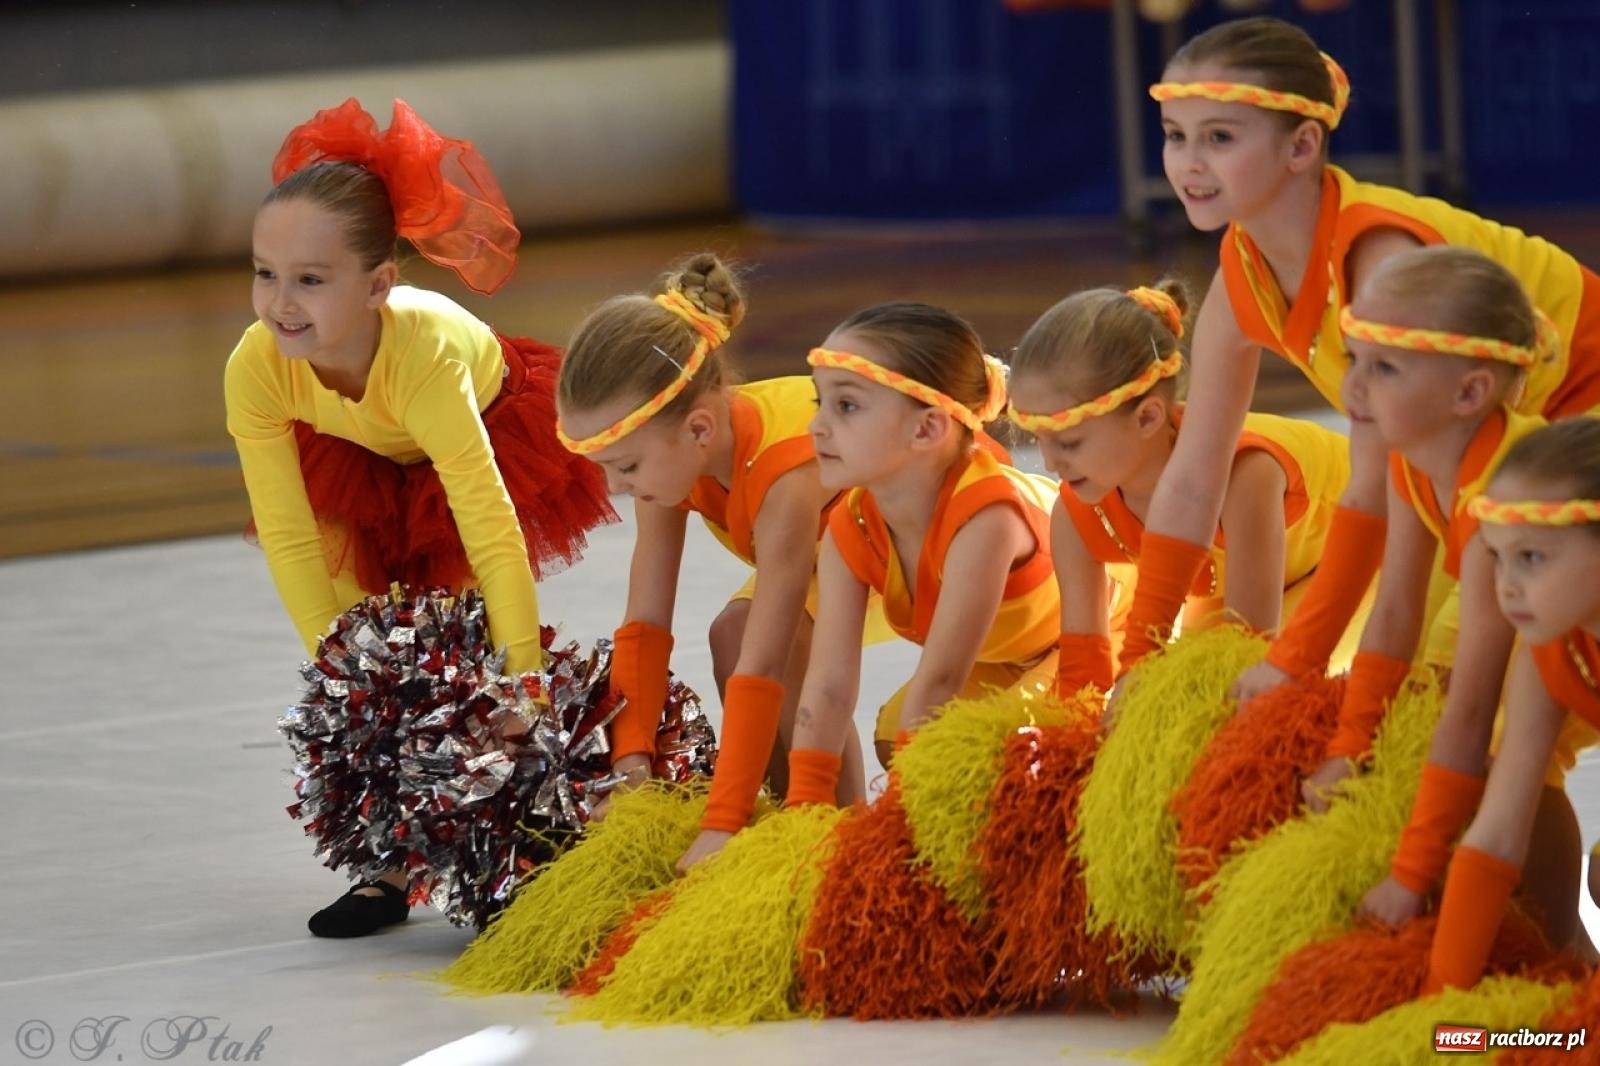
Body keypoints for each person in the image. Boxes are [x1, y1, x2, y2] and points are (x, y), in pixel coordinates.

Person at [226, 98, 613, 936]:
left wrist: (525, 679)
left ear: (379, 285)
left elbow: (487, 520)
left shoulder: (423, 352)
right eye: (265, 272)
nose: (280, 303)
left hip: (480, 439)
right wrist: (351, 682)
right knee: (372, 650)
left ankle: (520, 847)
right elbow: (291, 534)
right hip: (363, 458)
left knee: (459, 653)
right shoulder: (255, 368)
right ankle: (389, 864)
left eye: (310, 280)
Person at [1128, 17, 1600, 691]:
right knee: (1443, 706)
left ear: (1302, 147)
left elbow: (1379, 491)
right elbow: (1195, 476)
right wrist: (1135, 663)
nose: (1189, 163)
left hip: (1570, 438)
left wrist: (1293, 662)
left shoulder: (1383, 265)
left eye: (1220, 137)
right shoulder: (1241, 273)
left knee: (1451, 697)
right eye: (1176, 136)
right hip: (1492, 464)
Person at [554, 252, 868, 874]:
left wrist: (721, 821)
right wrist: (630, 760)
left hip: (914, 553)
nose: (616, 487)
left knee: (754, 641)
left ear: (698, 430)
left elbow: (766, 657)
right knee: (733, 632)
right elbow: (644, 620)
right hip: (829, 554)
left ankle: (845, 840)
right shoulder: (673, 458)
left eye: (625, 467)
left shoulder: (785, 475)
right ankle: (789, 836)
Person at [1006, 279, 1357, 696]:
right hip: (1242, 590)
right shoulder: (1077, 514)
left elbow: (1248, 647)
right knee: (1178, 692)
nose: (1049, 464)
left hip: (1364, 557)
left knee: (1240, 689)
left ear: (1148, 418)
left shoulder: (1246, 476)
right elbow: (1084, 670)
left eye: (1069, 443)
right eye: (1039, 441)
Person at [781, 302, 1061, 807]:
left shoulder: (986, 521)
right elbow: (827, 687)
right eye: (818, 402)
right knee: (896, 734)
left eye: (846, 406)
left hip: (1088, 650)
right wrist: (805, 812)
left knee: (996, 755)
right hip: (1004, 657)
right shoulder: (854, 522)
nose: (816, 427)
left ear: (927, 429)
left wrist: (894, 823)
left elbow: (941, 680)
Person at [1424, 417, 1600, 991]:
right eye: (1498, 557)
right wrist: (1440, 1001)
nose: (1506, 586)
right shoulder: (1550, 653)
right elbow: (1498, 831)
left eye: (1532, 557)